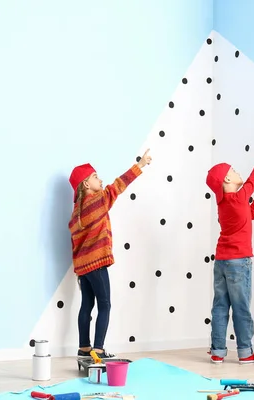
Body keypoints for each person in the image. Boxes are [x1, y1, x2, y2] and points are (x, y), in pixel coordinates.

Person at [68, 149, 152, 360]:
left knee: (87, 304)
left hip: (83, 267)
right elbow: (118, 185)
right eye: (96, 177)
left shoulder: (76, 213)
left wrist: (79, 267)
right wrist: (139, 165)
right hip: (97, 263)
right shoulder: (98, 201)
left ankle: (84, 347)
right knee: (105, 304)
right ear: (86, 184)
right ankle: (99, 349)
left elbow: (75, 245)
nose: (100, 179)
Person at [205, 142, 254, 364]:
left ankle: (217, 351)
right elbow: (253, 178)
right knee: (241, 307)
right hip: (239, 263)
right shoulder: (238, 198)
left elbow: (250, 215)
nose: (238, 172)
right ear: (227, 180)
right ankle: (246, 352)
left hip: (221, 262)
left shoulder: (225, 204)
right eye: (233, 170)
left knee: (220, 306)